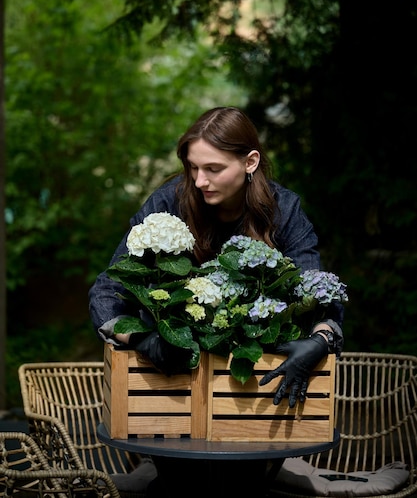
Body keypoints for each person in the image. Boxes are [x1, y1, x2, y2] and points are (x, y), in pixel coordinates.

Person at [89, 106, 344, 498]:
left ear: (250, 162)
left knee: (243, 484)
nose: (199, 180)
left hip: (253, 393)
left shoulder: (284, 210)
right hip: (171, 387)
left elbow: (317, 291)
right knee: (184, 485)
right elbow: (107, 292)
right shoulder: (168, 203)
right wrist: (140, 340)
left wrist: (322, 338)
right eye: (193, 168)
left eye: (213, 169)